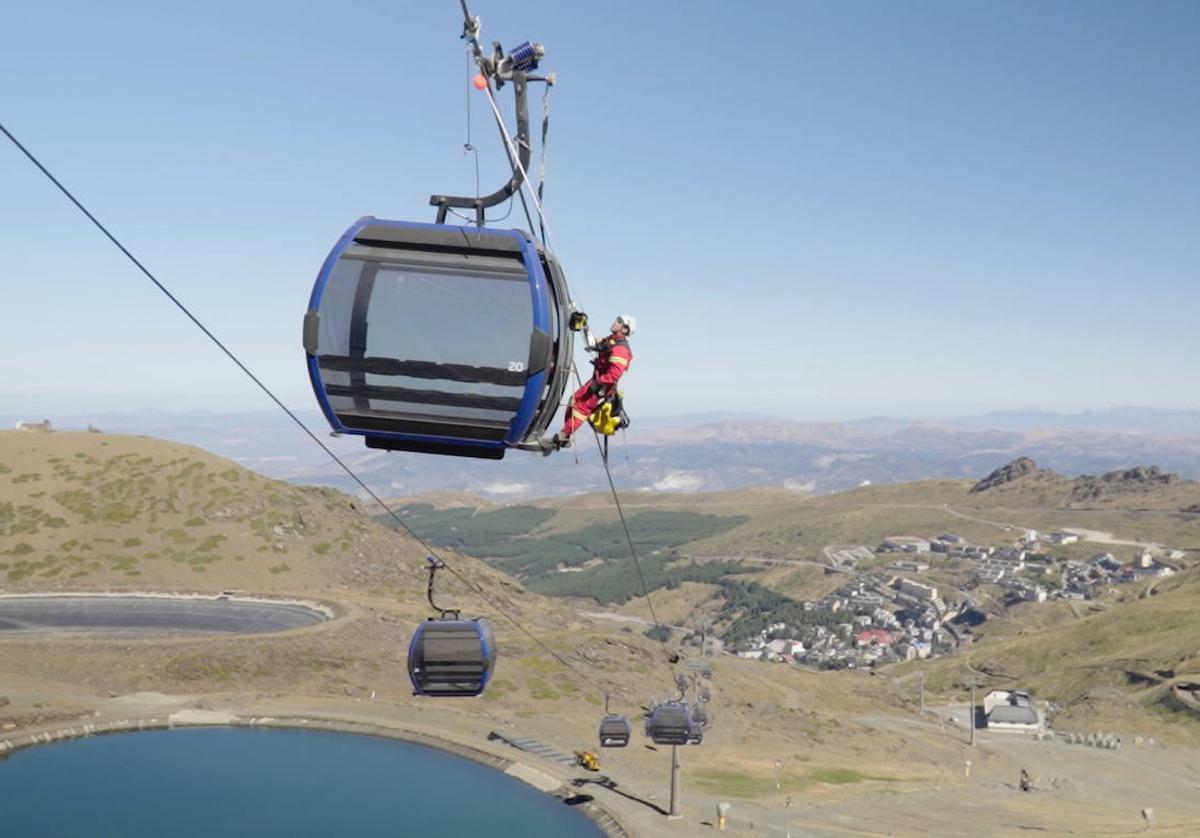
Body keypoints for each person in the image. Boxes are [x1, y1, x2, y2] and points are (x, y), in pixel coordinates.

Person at [547, 314, 635, 450]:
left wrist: (599, 384)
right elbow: (593, 343)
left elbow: (615, 374)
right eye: (616, 319)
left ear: (625, 329)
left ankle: (564, 434)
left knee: (581, 408)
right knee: (575, 400)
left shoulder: (621, 349)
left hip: (602, 385)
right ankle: (565, 435)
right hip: (598, 381)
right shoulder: (611, 341)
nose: (615, 321)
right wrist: (584, 326)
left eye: (619, 321)